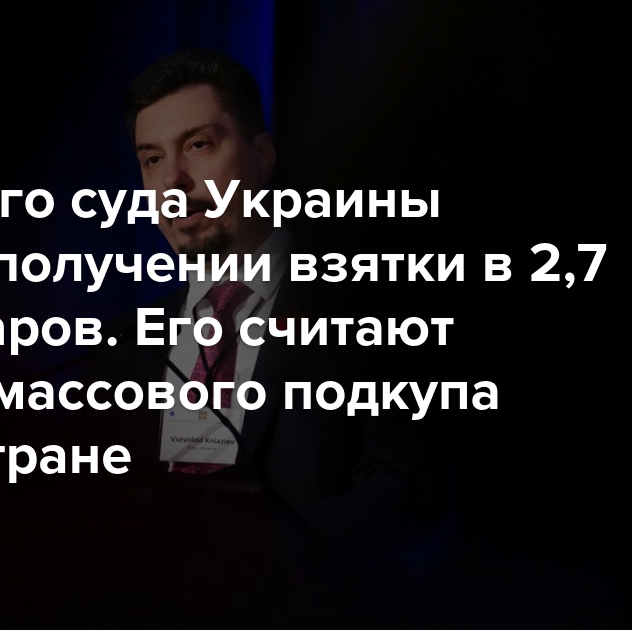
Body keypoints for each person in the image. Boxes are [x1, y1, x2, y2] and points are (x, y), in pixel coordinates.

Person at [85, 49, 439, 626]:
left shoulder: (365, 308)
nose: (172, 180)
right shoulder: (124, 343)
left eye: (199, 145)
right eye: (151, 159)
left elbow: (412, 488)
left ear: (263, 154)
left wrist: (278, 556)